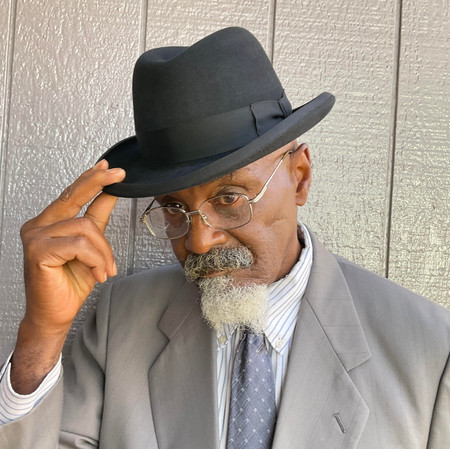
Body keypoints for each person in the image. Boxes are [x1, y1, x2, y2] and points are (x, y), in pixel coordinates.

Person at [0, 27, 449, 449]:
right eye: (174, 207)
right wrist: (41, 334)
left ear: (300, 177)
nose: (199, 241)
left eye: (230, 198)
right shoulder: (121, 321)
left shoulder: (429, 350)